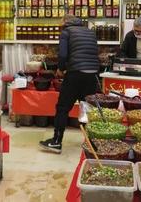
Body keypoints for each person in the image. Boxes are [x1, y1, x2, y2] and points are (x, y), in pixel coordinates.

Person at [39, 15, 99, 154]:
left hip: (75, 73)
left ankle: (56, 142)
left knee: (63, 108)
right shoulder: (90, 32)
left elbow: (63, 55)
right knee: (87, 108)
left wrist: (60, 69)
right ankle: (91, 143)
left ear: (65, 22)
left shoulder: (66, 32)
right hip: (92, 74)